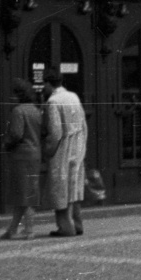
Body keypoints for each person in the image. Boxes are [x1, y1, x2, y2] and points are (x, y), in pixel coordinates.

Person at [41, 70, 88, 236]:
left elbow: (55, 132)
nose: (42, 88)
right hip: (77, 145)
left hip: (62, 148)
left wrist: (48, 150)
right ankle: (77, 223)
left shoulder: (53, 102)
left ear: (48, 83)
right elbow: (83, 124)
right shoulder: (73, 97)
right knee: (73, 186)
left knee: (60, 187)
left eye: (44, 84)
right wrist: (82, 147)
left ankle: (65, 226)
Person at [1, 78, 43, 240]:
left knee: (24, 193)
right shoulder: (35, 109)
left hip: (21, 156)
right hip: (34, 154)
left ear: (18, 95)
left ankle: (29, 229)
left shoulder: (18, 111)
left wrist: (6, 143)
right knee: (26, 192)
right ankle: (12, 229)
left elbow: (16, 134)